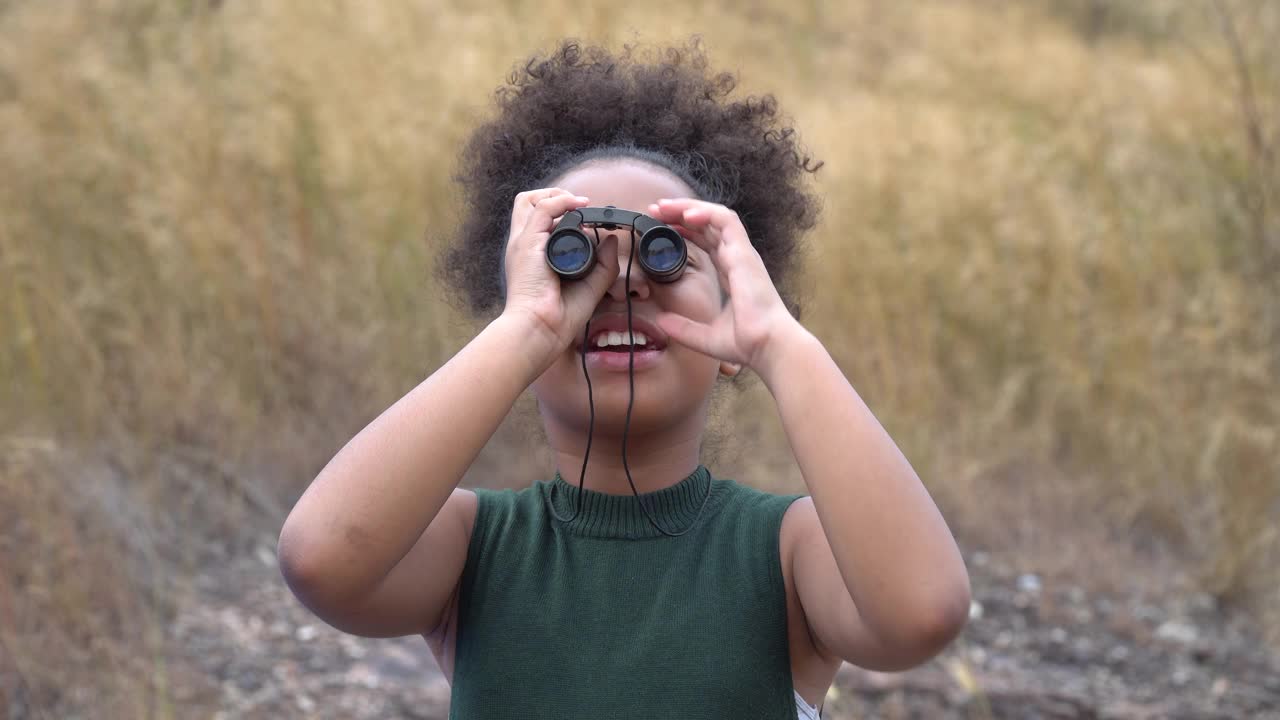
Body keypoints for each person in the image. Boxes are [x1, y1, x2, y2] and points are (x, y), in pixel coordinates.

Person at [277, 39, 971, 719]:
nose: (624, 282)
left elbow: (921, 612)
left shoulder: (784, 552)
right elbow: (321, 560)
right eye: (573, 258)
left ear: (734, 330)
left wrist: (780, 342)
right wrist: (528, 330)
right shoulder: (472, 548)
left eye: (667, 255)